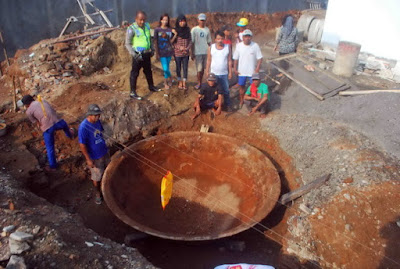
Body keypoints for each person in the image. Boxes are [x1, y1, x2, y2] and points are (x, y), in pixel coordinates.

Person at [21, 94, 74, 171]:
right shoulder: (42, 101)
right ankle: (70, 134)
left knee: (50, 147)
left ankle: (53, 166)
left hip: (47, 129)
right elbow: (52, 110)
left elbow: (36, 122)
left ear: (26, 104)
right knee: (64, 124)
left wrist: (40, 123)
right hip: (57, 122)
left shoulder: (28, 111)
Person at [125, 10, 160, 100]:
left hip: (146, 53)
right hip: (137, 54)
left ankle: (151, 86)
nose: (142, 22)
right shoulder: (131, 29)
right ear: (136, 19)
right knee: (135, 73)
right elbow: (127, 44)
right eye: (140, 20)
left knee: (148, 71)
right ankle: (133, 92)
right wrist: (133, 54)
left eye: (144, 20)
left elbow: (149, 39)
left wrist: (152, 49)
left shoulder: (147, 26)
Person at [78, 104, 109, 205]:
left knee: (108, 170)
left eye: (98, 115)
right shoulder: (83, 127)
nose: (97, 117)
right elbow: (82, 145)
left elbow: (100, 133)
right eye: (95, 115)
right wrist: (88, 159)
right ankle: (98, 193)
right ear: (89, 115)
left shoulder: (97, 122)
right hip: (95, 157)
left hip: (104, 152)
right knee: (97, 176)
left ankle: (108, 188)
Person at [233, 29, 263, 108]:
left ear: (251, 37)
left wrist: (257, 69)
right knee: (241, 87)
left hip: (252, 72)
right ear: (243, 37)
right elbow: (235, 58)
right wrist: (235, 69)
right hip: (241, 72)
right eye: (245, 36)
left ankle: (253, 101)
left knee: (254, 87)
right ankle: (241, 100)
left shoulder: (255, 46)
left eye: (249, 36)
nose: (247, 38)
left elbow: (260, 58)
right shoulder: (239, 46)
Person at [205, 30, 232, 110]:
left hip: (224, 73)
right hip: (214, 74)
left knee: (226, 90)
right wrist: (207, 71)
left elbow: (229, 60)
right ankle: (214, 105)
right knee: (214, 90)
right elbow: (208, 60)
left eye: (221, 38)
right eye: (218, 39)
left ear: (224, 38)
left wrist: (230, 72)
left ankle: (227, 105)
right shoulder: (211, 47)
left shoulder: (227, 47)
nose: (220, 40)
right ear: (215, 39)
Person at [154, 13, 174, 93]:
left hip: (169, 52)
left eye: (166, 20)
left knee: (167, 68)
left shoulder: (170, 30)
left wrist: (175, 34)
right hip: (161, 52)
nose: (165, 21)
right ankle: (167, 81)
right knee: (165, 69)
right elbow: (155, 41)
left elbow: (171, 42)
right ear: (161, 20)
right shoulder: (157, 30)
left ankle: (168, 80)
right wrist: (156, 52)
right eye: (164, 20)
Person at [191, 13, 212, 90]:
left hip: (206, 52)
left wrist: (212, 51)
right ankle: (199, 82)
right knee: (199, 69)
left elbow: (209, 42)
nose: (202, 22)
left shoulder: (207, 30)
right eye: (201, 20)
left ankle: (204, 82)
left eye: (203, 20)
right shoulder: (194, 30)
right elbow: (192, 42)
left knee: (205, 68)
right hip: (198, 52)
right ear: (198, 20)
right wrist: (192, 53)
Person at [171, 14, 192, 91]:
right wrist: (179, 47)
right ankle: (179, 81)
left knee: (185, 67)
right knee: (178, 67)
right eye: (181, 21)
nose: (182, 23)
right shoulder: (175, 30)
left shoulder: (187, 30)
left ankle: (184, 82)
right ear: (178, 22)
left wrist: (187, 48)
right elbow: (172, 42)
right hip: (177, 53)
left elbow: (190, 41)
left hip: (186, 53)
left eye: (184, 21)